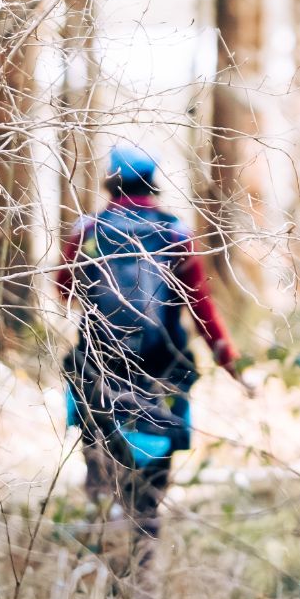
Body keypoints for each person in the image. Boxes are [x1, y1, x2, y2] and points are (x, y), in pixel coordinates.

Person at [56, 145, 237, 541]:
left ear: (110, 182)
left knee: (102, 459)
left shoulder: (88, 231)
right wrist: (229, 361)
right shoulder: (175, 234)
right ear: (152, 183)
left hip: (98, 367)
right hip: (161, 369)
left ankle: (104, 537)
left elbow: (64, 289)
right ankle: (143, 552)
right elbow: (200, 306)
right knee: (151, 472)